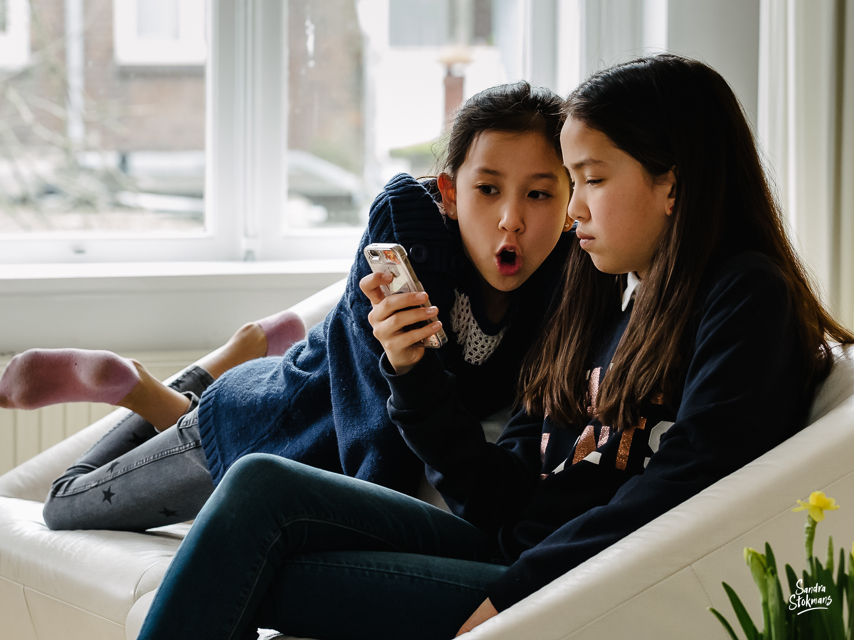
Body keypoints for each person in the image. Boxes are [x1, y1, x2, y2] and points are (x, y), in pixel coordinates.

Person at [135, 54, 854, 640]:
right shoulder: (608, 299)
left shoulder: (742, 295)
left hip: (562, 583)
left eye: (592, 180)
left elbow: (687, 486)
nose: (574, 211)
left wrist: (517, 597)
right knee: (260, 487)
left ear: (674, 183)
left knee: (233, 567)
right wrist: (412, 371)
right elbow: (496, 487)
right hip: (507, 545)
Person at [0, 81, 576, 531]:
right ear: (449, 193)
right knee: (64, 506)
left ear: (572, 197)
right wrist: (377, 522)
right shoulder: (411, 234)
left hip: (303, 452)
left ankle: (236, 353)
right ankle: (138, 385)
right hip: (272, 427)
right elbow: (368, 405)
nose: (512, 220)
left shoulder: (571, 278)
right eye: (488, 189)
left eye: (540, 193)